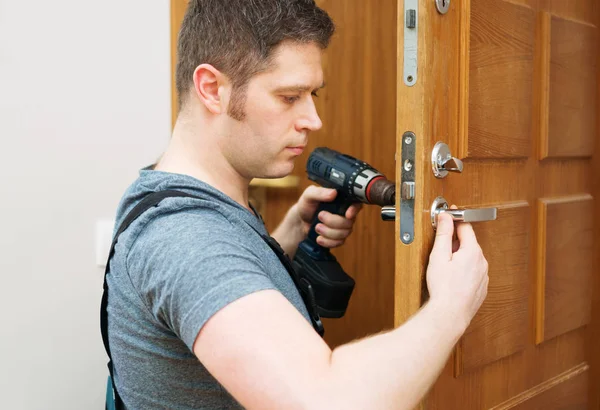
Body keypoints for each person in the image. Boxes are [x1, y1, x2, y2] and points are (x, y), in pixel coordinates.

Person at [104, 0, 489, 409]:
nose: (313, 119)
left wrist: (283, 241)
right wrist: (451, 307)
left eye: (313, 94)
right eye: (290, 97)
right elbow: (325, 403)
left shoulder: (188, 198)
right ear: (213, 89)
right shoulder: (185, 237)